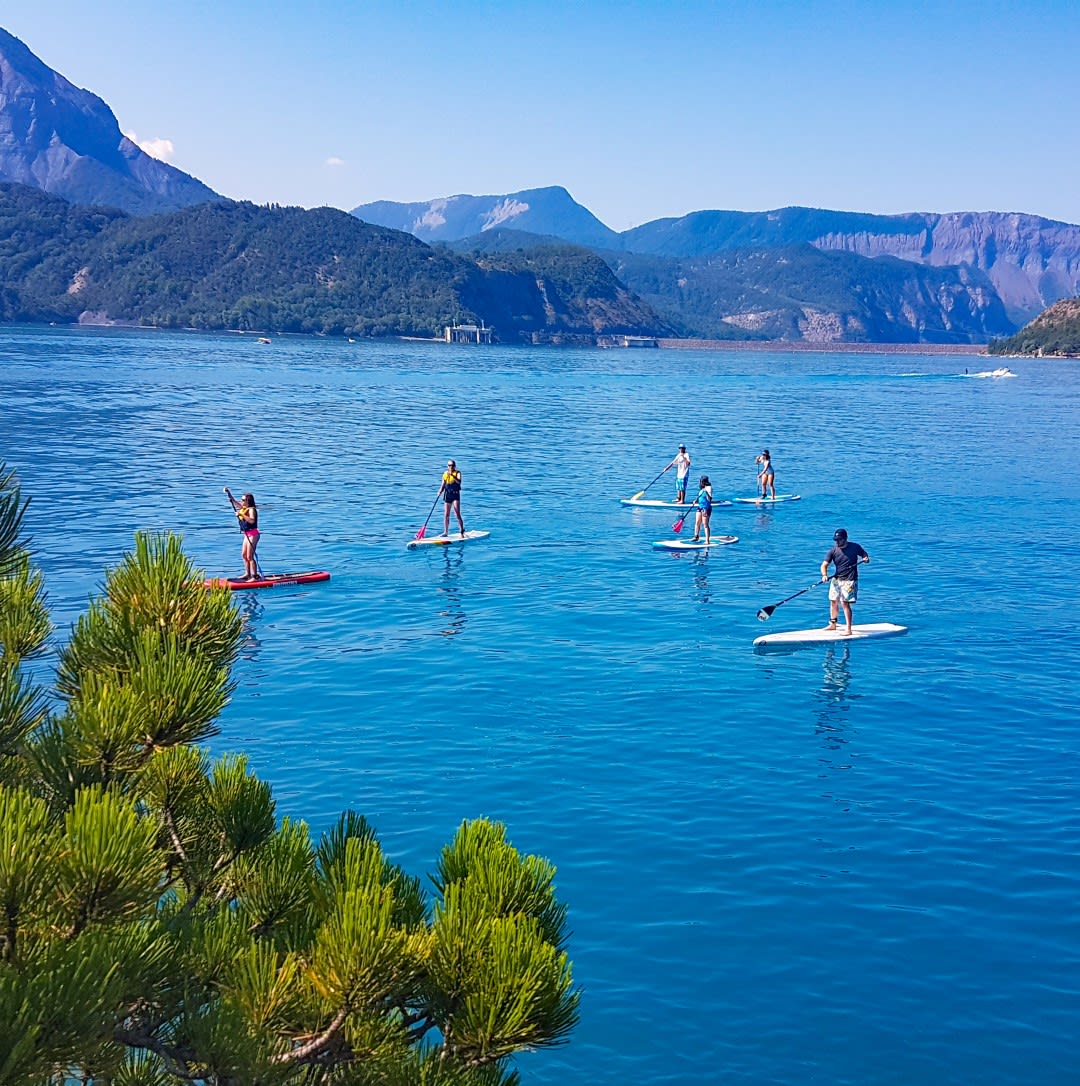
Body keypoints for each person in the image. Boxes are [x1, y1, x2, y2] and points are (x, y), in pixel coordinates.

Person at [820, 528, 870, 635]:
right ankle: (833, 624)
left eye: (839, 540)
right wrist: (824, 575)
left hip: (850, 580)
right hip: (837, 579)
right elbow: (824, 565)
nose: (837, 542)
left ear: (845, 539)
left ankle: (848, 629)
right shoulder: (833, 551)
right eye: (836, 540)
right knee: (833, 601)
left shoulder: (855, 547)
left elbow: (864, 554)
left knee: (844, 603)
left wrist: (865, 558)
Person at [224, 486, 260, 580]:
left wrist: (241, 514)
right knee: (244, 555)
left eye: (243, 500)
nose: (242, 501)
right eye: (242, 500)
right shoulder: (243, 508)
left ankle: (254, 576)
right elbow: (234, 502)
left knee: (250, 556)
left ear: (248, 501)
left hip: (253, 534)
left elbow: (252, 521)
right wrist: (229, 493)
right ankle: (247, 574)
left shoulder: (251, 509)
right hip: (247, 534)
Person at [441, 459, 464, 537]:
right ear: (447, 466)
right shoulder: (445, 473)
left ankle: (461, 531)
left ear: (454, 466)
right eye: (449, 465)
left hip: (455, 495)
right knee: (446, 514)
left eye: (452, 465)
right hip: (448, 495)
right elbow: (443, 484)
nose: (450, 467)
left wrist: (452, 475)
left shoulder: (458, 473)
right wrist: (440, 491)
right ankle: (446, 532)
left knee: (457, 513)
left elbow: (459, 482)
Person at [690, 474, 713, 544]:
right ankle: (696, 536)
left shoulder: (709, 488)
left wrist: (707, 493)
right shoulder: (701, 489)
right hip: (700, 507)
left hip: (706, 508)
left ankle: (707, 541)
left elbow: (709, 499)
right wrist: (696, 501)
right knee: (697, 523)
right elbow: (700, 498)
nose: (700, 483)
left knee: (705, 524)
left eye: (701, 481)